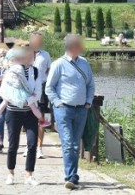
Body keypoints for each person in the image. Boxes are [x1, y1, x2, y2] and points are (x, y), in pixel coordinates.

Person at [46, 34, 95, 190]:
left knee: (75, 145)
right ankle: (70, 176)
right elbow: (49, 87)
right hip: (64, 109)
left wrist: (88, 101)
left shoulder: (84, 63)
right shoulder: (58, 64)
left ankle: (73, 175)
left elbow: (91, 85)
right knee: (68, 144)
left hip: (81, 110)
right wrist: (58, 102)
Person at [0, 45, 43, 187]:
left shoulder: (35, 72)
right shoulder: (12, 71)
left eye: (32, 55)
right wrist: (22, 100)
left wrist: (28, 101)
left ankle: (29, 174)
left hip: (29, 112)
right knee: (13, 144)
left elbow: (38, 92)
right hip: (13, 111)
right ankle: (10, 173)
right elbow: (5, 91)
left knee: (32, 143)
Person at [32, 32, 52, 159]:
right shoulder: (26, 53)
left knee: (42, 118)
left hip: (42, 88)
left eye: (40, 41)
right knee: (28, 118)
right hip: (29, 89)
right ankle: (30, 146)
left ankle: (39, 147)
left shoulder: (45, 55)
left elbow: (49, 71)